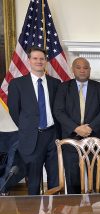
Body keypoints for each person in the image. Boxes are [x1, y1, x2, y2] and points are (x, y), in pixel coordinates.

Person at [53, 57, 100, 194]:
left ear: (90, 70)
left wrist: (90, 128)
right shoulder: (63, 87)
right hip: (71, 138)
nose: (82, 70)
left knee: (96, 177)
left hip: (95, 139)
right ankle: (75, 209)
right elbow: (58, 111)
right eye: (78, 67)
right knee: (73, 178)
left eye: (85, 67)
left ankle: (94, 207)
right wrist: (76, 128)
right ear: (73, 70)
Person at [7, 46, 60, 195]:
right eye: (35, 58)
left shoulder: (55, 83)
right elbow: (14, 111)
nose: (39, 61)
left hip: (53, 135)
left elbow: (59, 110)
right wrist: (28, 127)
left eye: (42, 59)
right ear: (29, 60)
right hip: (32, 137)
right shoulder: (17, 84)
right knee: (34, 182)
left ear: (46, 61)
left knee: (55, 180)